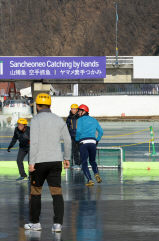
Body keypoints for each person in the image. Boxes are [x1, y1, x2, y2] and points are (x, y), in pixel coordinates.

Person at [24, 93, 71, 233]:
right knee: (57, 193)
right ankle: (57, 224)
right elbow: (68, 141)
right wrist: (67, 158)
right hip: (56, 161)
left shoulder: (36, 120)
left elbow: (34, 143)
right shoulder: (58, 120)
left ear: (37, 106)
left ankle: (35, 223)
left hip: (39, 162)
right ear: (50, 105)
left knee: (36, 192)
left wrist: (31, 162)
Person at [75, 104, 104, 187]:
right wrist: (97, 140)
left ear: (84, 111)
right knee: (93, 161)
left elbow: (79, 132)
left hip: (83, 143)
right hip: (92, 142)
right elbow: (101, 132)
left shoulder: (80, 120)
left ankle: (90, 180)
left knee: (84, 162)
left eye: (80, 111)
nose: (78, 113)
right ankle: (96, 174)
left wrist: (77, 140)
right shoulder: (94, 120)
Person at [66, 104, 81, 169]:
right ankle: (77, 163)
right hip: (72, 136)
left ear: (77, 110)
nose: (73, 110)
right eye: (72, 109)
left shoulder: (80, 117)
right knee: (74, 151)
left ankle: (82, 163)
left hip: (80, 136)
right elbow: (67, 127)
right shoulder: (69, 118)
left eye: (74, 109)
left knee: (81, 150)